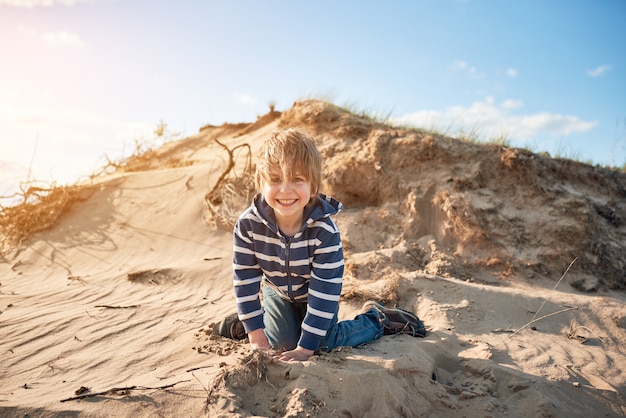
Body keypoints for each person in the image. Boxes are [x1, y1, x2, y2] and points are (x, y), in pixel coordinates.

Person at [223, 128, 425, 362]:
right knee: (282, 343)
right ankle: (243, 324)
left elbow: (324, 292)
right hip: (277, 290)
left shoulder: (324, 231)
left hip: (314, 295)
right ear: (260, 182)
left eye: (297, 179)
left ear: (313, 187)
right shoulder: (249, 225)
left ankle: (378, 319)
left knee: (321, 343)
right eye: (275, 179)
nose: (286, 189)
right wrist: (256, 338)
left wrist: (305, 349)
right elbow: (245, 281)